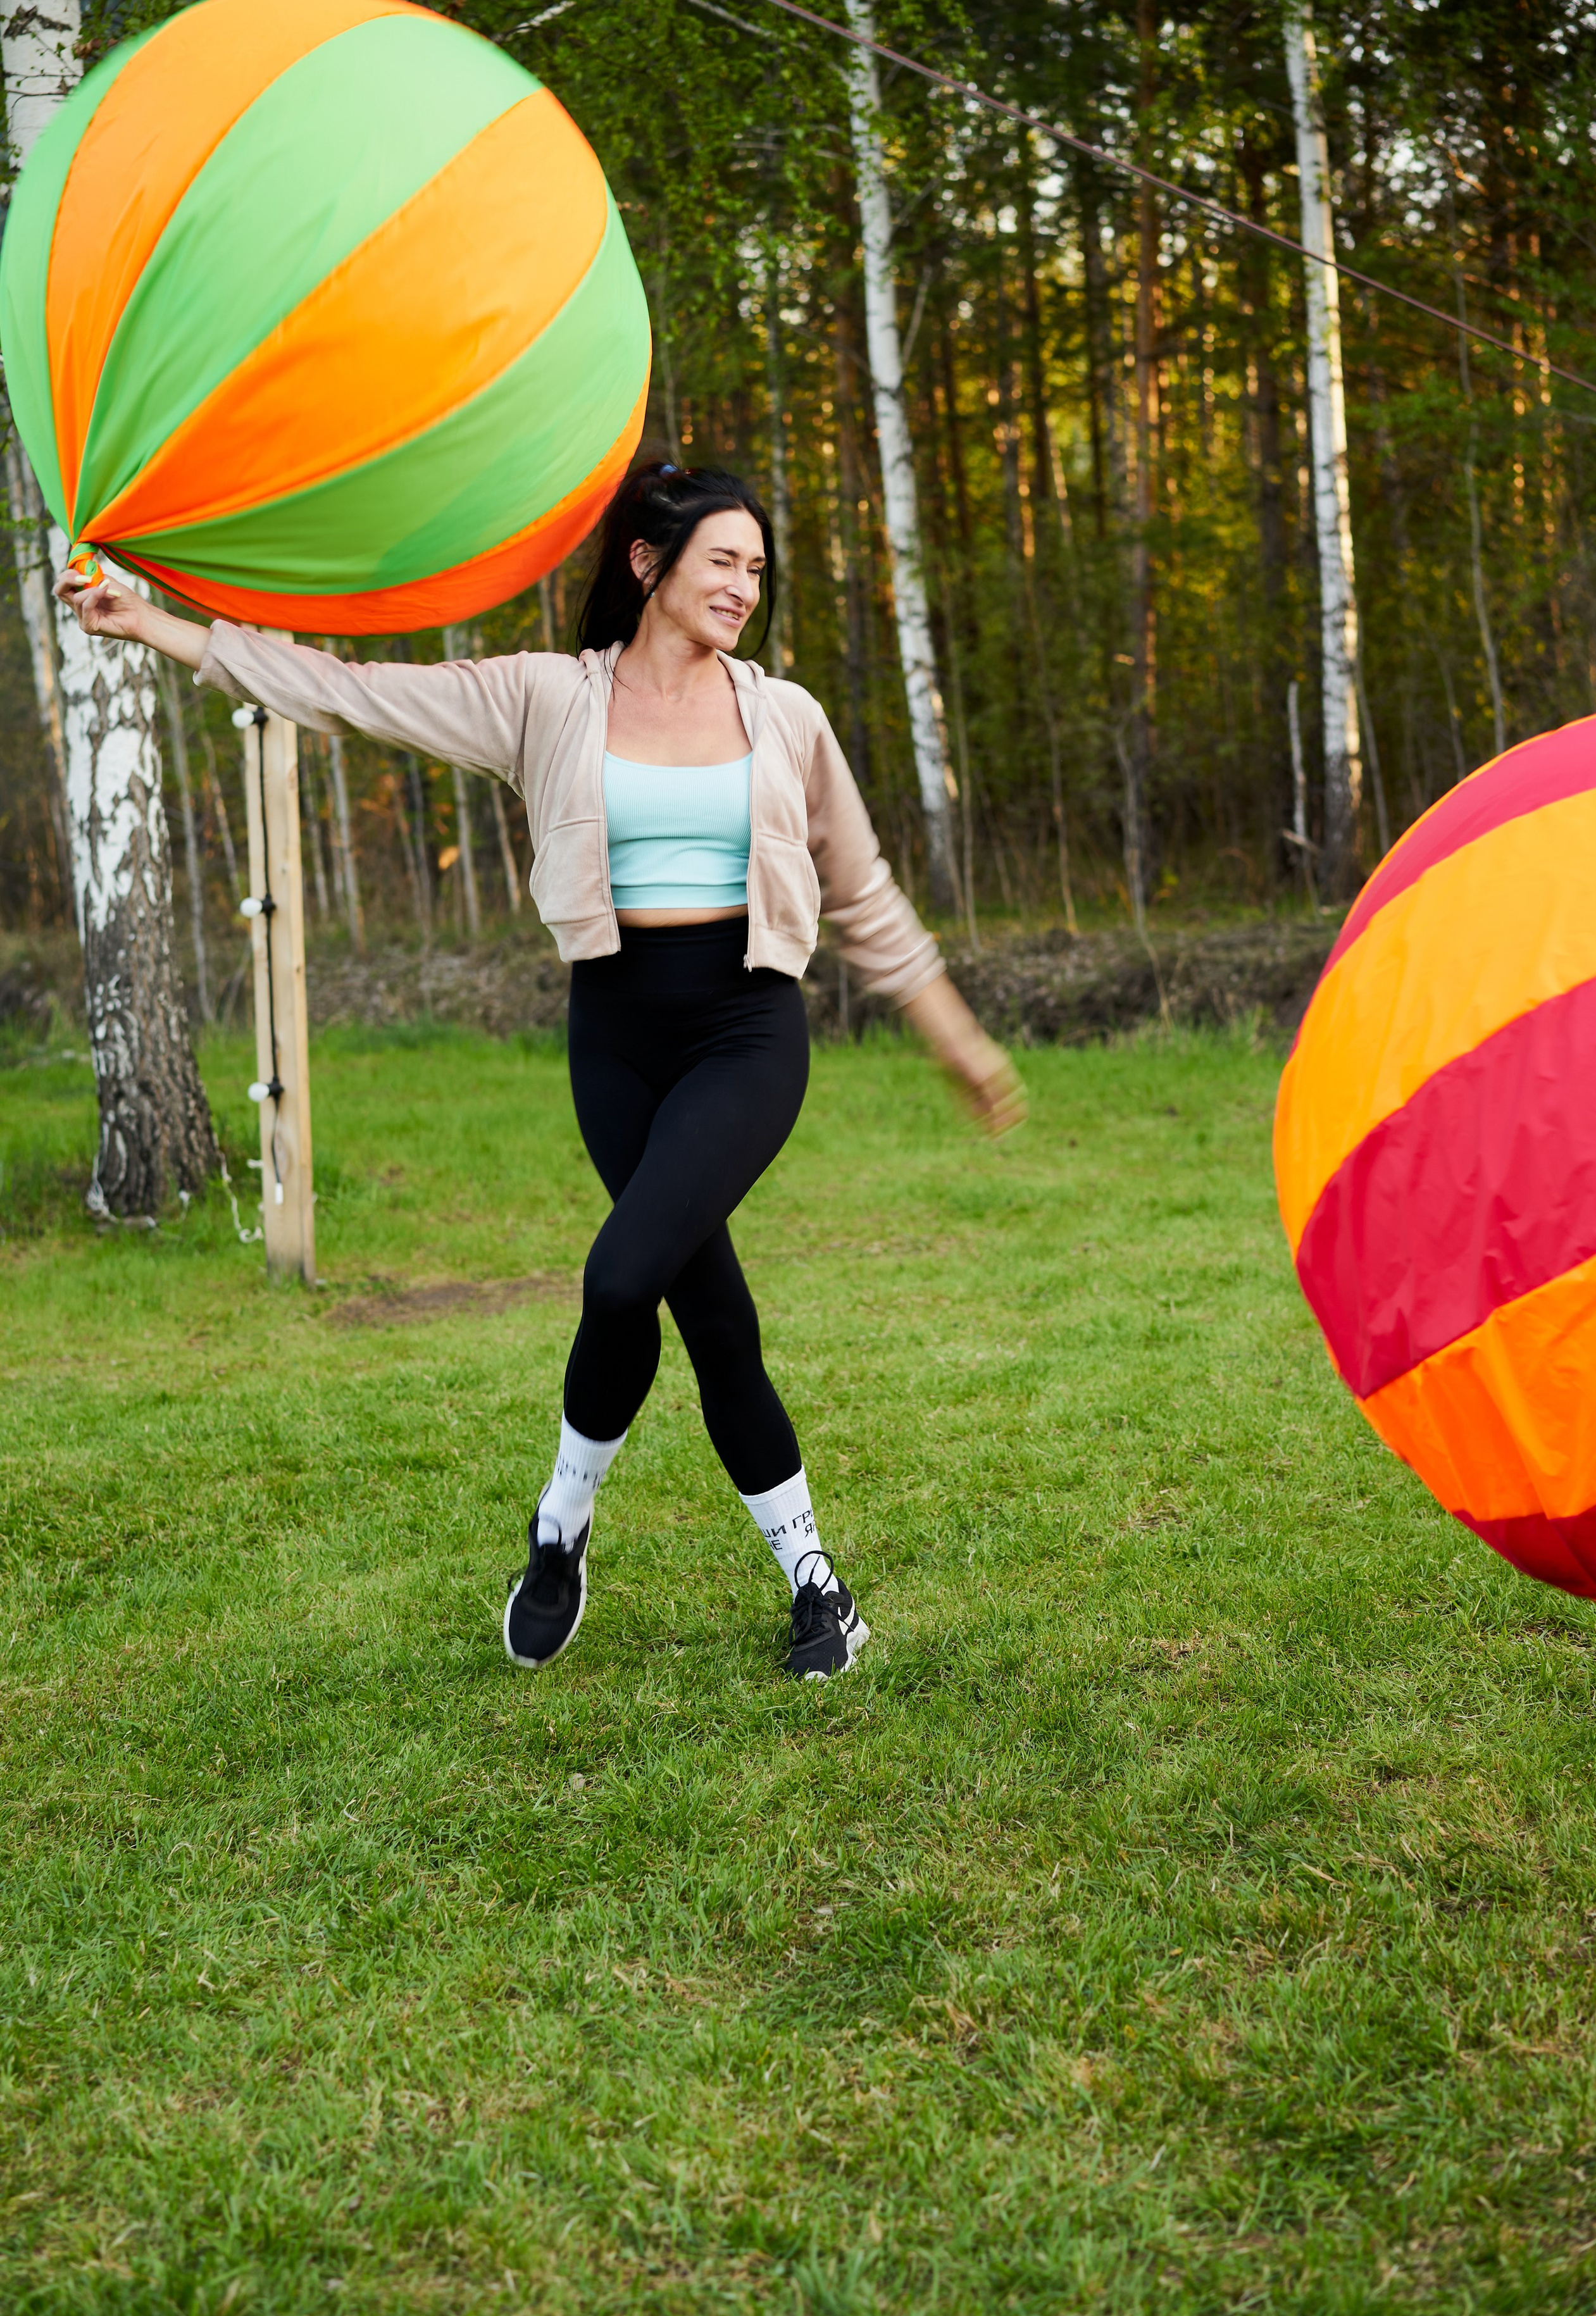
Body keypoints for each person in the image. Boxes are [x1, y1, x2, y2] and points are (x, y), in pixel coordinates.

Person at [56, 461, 1023, 1681]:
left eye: (758, 570)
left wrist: (954, 1032)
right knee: (709, 1314)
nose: (745, 586)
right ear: (648, 563)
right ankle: (784, 1579)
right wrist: (152, 626)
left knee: (623, 1276)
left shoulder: (787, 716)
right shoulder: (544, 700)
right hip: (615, 1035)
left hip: (747, 1032)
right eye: (723, 560)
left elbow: (864, 890)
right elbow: (349, 696)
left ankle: (579, 1530)